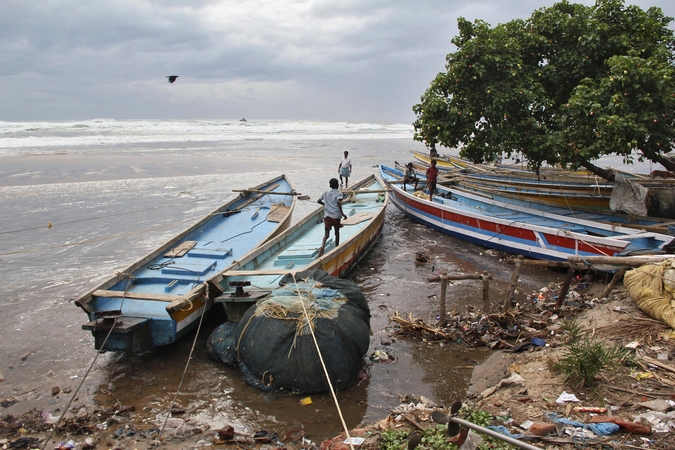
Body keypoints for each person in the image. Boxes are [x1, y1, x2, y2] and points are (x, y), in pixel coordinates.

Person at [317, 178, 347, 257]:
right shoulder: (339, 194)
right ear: (337, 185)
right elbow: (338, 202)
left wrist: (325, 205)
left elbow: (318, 201)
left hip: (327, 216)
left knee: (326, 234)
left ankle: (322, 246)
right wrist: (343, 214)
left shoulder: (326, 193)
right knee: (337, 232)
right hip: (336, 216)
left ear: (330, 185)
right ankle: (336, 248)